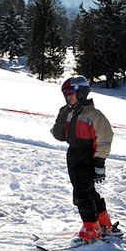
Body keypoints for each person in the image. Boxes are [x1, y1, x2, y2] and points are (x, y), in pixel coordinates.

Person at [51, 76, 118, 242]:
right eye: (64, 94)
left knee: (81, 194)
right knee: (88, 191)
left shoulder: (94, 115)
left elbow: (104, 138)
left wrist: (99, 162)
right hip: (73, 154)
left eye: (70, 93)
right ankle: (103, 223)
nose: (67, 97)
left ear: (81, 92)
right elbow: (58, 135)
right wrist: (61, 117)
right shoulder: (69, 113)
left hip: (87, 156)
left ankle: (91, 227)